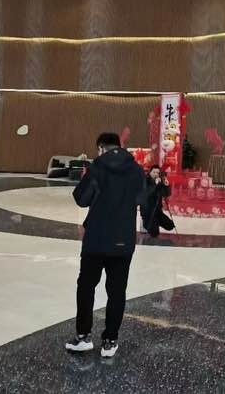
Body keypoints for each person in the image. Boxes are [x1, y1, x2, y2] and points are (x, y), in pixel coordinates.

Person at [65, 133, 145, 358]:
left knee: (86, 286)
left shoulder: (97, 167)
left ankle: (83, 337)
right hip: (123, 239)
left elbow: (81, 199)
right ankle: (110, 341)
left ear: (101, 148)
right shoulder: (136, 170)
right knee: (117, 291)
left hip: (96, 239)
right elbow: (143, 198)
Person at [141, 165, 175, 238]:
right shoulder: (145, 180)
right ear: (150, 172)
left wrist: (166, 185)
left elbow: (166, 194)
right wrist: (155, 184)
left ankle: (154, 223)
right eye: (154, 172)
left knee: (170, 225)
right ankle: (147, 224)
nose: (156, 174)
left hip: (157, 211)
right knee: (154, 233)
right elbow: (147, 193)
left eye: (157, 173)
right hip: (148, 212)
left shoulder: (159, 181)